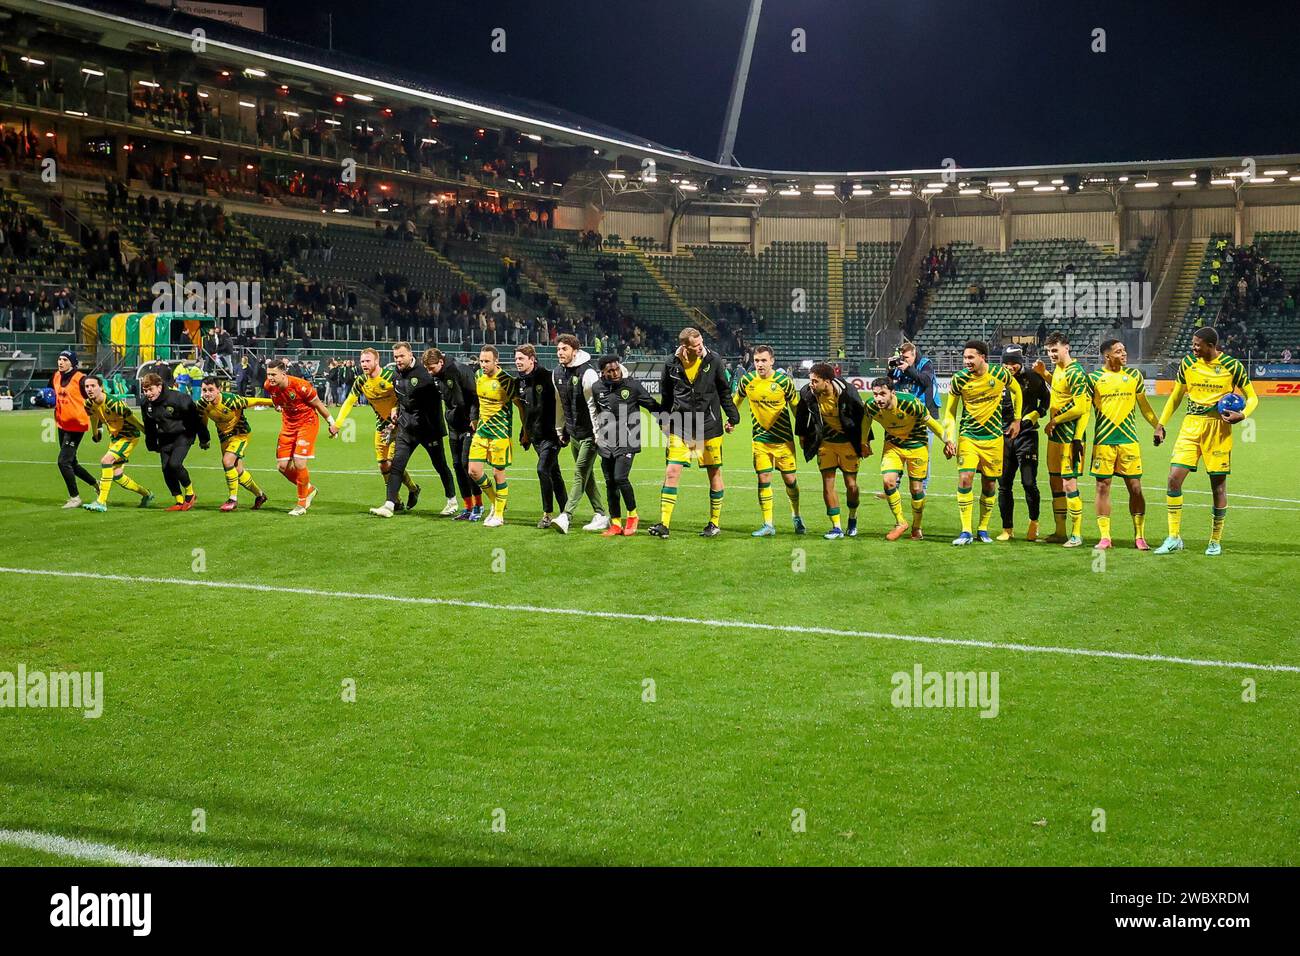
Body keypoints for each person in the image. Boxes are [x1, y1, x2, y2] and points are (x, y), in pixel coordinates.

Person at [1154, 326, 1258, 556]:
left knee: (1218, 486)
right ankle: (1173, 537)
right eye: (1193, 344)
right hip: (1190, 426)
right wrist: (1161, 424)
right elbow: (1176, 396)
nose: (1193, 348)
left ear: (1211, 346)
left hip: (1218, 429)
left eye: (1197, 345)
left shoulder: (1232, 366)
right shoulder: (1188, 364)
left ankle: (1215, 540)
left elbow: (1253, 397)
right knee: (1173, 479)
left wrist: (1243, 415)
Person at [648, 327, 739, 539]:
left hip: (709, 426)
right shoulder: (671, 363)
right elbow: (667, 396)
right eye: (695, 346)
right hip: (681, 426)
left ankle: (714, 523)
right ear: (684, 346)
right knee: (672, 472)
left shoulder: (713, 360)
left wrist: (733, 417)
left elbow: (724, 390)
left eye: (701, 344)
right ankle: (664, 524)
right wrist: (663, 420)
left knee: (714, 473)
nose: (700, 348)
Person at [365, 343, 458, 518]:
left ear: (410, 355)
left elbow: (438, 399)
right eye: (395, 357)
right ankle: (389, 504)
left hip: (429, 430)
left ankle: (452, 501)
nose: (398, 360)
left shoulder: (425, 373)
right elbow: (401, 399)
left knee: (440, 465)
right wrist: (396, 412)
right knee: (397, 465)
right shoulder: (397, 375)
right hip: (406, 429)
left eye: (401, 356)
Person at [943, 340, 1022, 545]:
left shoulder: (1000, 374)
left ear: (982, 357)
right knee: (965, 478)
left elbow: (1017, 391)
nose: (966, 361)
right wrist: (949, 437)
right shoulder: (959, 380)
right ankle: (966, 530)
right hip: (968, 436)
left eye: (971, 357)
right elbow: (950, 412)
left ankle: (983, 529)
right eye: (965, 357)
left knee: (989, 483)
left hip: (994, 438)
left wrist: (1017, 419)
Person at [1088, 340, 1163, 550]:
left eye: (1124, 350)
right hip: (1104, 441)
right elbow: (1083, 408)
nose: (1124, 354)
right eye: (1118, 351)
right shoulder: (1094, 379)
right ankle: (1105, 537)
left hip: (1128, 441)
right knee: (1102, 487)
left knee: (1136, 488)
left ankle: (1139, 536)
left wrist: (1158, 425)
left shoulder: (1134, 376)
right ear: (1107, 356)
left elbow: (1145, 407)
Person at [334, 348, 423, 513]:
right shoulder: (361, 381)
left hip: (399, 426)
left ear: (377, 361)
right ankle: (403, 496)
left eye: (368, 361)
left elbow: (404, 398)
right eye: (362, 361)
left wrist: (397, 412)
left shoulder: (391, 376)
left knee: (393, 463)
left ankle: (398, 496)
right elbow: (349, 401)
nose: (364, 364)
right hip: (381, 426)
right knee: (383, 466)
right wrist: (338, 424)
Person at [864, 378, 952, 541]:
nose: (878, 398)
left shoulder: (911, 403)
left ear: (892, 392)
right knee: (888, 481)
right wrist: (864, 442)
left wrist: (947, 441)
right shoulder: (870, 405)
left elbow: (932, 423)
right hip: (893, 446)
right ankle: (900, 522)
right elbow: (866, 422)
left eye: (882, 394)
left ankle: (917, 527)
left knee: (917, 490)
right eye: (875, 394)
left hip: (917, 445)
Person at [732, 345, 804, 536]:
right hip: (760, 440)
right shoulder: (747, 380)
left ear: (772, 361)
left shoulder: (783, 381)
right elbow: (736, 400)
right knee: (763, 479)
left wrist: (804, 432)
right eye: (756, 361)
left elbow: (796, 407)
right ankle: (768, 524)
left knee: (790, 481)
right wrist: (732, 419)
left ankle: (796, 516)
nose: (760, 364)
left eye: (763, 360)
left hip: (783, 441)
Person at [795, 362, 872, 539]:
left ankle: (852, 519)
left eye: (815, 381)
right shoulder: (808, 392)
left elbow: (862, 416)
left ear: (827, 381)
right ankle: (836, 527)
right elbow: (801, 414)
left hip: (848, 443)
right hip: (825, 443)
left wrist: (865, 442)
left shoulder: (848, 392)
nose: (811, 384)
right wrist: (802, 436)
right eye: (810, 380)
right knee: (828, 483)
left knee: (851, 485)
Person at [591, 354, 661, 536]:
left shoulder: (632, 385)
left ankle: (632, 516)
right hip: (607, 441)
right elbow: (595, 411)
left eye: (616, 369)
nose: (615, 373)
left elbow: (652, 405)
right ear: (602, 373)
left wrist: (668, 419)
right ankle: (615, 523)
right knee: (610, 483)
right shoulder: (597, 388)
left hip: (629, 439)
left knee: (620, 477)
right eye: (610, 371)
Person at [552, 334, 610, 533]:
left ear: (574, 351)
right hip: (573, 433)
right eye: (558, 349)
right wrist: (560, 429)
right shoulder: (557, 373)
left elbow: (594, 406)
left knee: (579, 474)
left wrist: (597, 433)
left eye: (564, 349)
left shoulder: (588, 373)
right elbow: (560, 404)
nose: (560, 352)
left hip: (590, 435)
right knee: (587, 475)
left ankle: (566, 516)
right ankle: (601, 514)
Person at [263, 359, 334, 516]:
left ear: (283, 373)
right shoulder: (268, 386)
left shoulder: (301, 386)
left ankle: (301, 504)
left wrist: (331, 423)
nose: (270, 378)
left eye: (273, 374)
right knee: (282, 467)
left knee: (299, 462)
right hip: (288, 426)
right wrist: (278, 406)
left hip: (307, 423)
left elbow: (318, 404)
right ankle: (308, 488)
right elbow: (276, 401)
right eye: (268, 374)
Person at [995, 346, 1051, 541]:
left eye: (1013, 362)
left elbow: (1046, 400)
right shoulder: (996, 379)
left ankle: (1033, 523)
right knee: (1004, 486)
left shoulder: (1034, 378)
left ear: (1020, 361)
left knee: (1029, 483)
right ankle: (1007, 529)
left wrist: (1036, 415)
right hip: (1003, 439)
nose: (1010, 366)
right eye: (1006, 362)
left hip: (1027, 436)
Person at [1043, 332, 1091, 547]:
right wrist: (1044, 373)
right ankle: (1060, 531)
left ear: (1067, 348)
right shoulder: (1059, 369)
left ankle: (1077, 534)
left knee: (1069, 484)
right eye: (1048, 351)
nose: (1051, 354)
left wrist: (1055, 421)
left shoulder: (1076, 372)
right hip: (1055, 437)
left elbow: (1081, 407)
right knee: (1055, 482)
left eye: (1055, 350)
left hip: (1070, 436)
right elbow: (1060, 389)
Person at [467, 344, 523, 527]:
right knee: (473, 471)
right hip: (482, 432)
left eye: (487, 361)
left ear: (496, 361)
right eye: (481, 361)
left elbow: (520, 406)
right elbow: (476, 400)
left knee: (498, 473)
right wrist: (474, 418)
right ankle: (496, 501)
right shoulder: (478, 376)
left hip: (500, 433)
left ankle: (498, 515)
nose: (483, 364)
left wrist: (526, 430)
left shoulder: (506, 380)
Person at [80, 373, 153, 512]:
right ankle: (147, 494)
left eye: (93, 386)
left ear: (101, 387)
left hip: (128, 436)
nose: (89, 389)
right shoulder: (88, 403)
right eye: (87, 386)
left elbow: (131, 418)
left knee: (106, 461)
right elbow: (94, 417)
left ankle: (101, 502)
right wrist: (95, 433)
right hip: (115, 438)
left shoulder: (113, 402)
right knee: (117, 475)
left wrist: (146, 432)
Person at [514, 344, 568, 528]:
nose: (517, 362)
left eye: (521, 359)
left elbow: (562, 403)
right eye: (516, 359)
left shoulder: (547, 377)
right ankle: (565, 511)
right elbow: (525, 410)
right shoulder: (519, 382)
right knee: (554, 473)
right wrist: (525, 433)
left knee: (542, 470)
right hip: (536, 436)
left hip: (551, 435)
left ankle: (547, 514)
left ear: (532, 359)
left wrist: (564, 430)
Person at [197, 377, 271, 512]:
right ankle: (260, 495)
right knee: (238, 472)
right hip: (224, 438)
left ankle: (232, 499)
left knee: (227, 461)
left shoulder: (231, 400)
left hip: (240, 434)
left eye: (211, 390)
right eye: (204, 390)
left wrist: (276, 403)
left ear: (219, 389)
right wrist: (204, 439)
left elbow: (255, 400)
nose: (207, 393)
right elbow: (203, 421)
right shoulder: (202, 404)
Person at [426, 347, 482, 520]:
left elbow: (474, 396)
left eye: (432, 368)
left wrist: (474, 418)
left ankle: (478, 506)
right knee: (457, 465)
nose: (430, 372)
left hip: (467, 425)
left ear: (440, 363)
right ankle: (467, 507)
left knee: (467, 465)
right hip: (453, 427)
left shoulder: (458, 370)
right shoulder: (439, 376)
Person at [139, 371, 205, 511]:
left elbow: (196, 419)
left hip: (184, 434)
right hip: (164, 437)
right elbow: (149, 425)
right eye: (145, 390)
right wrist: (151, 444)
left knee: (175, 464)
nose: (148, 393)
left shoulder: (179, 398)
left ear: (160, 386)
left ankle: (190, 493)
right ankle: (179, 501)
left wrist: (204, 438)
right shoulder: (146, 404)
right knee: (165, 468)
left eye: (150, 389)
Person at [50, 350, 96, 508]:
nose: (60, 362)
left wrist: (99, 426)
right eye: (59, 359)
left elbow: (94, 398)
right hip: (62, 424)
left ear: (72, 363)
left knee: (63, 462)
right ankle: (96, 484)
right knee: (72, 463)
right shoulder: (56, 376)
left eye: (64, 359)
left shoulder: (81, 379)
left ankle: (75, 498)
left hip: (76, 426)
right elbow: (52, 395)